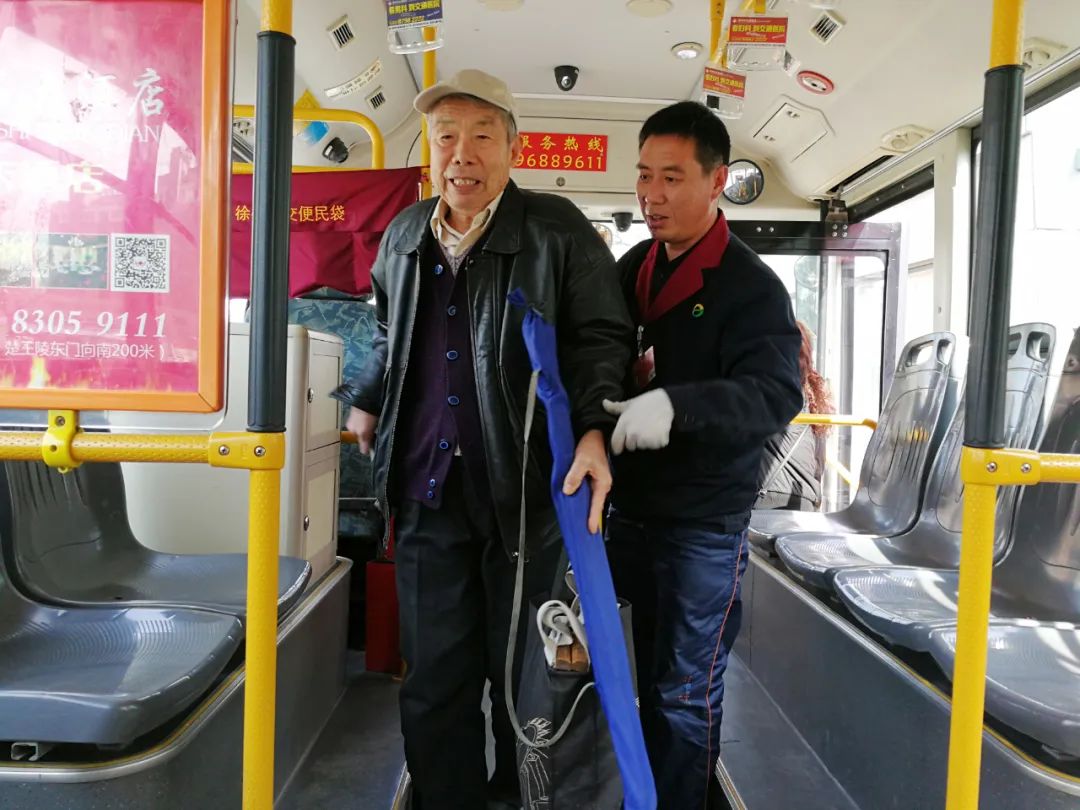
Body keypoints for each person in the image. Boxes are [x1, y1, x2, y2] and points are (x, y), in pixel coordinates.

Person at [334, 69, 633, 810]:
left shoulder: (555, 230)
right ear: (430, 149)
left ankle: (521, 798)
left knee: (522, 675)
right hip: (426, 489)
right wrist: (367, 399)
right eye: (445, 137)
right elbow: (387, 331)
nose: (461, 153)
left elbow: (603, 338)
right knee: (435, 677)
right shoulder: (405, 233)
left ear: (512, 147)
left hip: (525, 495)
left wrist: (595, 430)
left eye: (481, 136)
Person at [602, 101, 803, 809]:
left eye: (672, 178)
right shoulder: (634, 268)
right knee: (630, 680)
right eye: (643, 176)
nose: (652, 196)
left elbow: (775, 394)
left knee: (683, 694)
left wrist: (678, 405)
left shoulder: (751, 288)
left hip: (703, 528)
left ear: (717, 182)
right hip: (628, 513)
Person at [755, 320, 833, 511]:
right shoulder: (814, 400)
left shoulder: (759, 390)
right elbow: (818, 465)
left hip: (760, 502)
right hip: (805, 502)